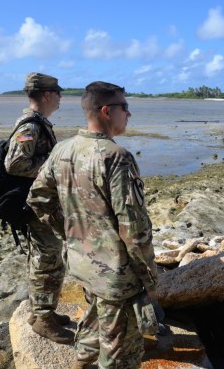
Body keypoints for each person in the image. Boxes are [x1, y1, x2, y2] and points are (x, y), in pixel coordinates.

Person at [28, 81, 160, 368]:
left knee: (95, 319)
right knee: (120, 354)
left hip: (82, 263)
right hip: (115, 274)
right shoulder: (115, 157)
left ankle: (82, 363)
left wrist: (70, 233)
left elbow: (38, 199)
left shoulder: (63, 149)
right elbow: (134, 228)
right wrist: (149, 276)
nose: (129, 114)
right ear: (106, 111)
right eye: (125, 107)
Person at [5, 72, 73, 344]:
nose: (60, 96)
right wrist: (53, 165)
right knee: (48, 262)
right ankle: (43, 318)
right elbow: (14, 164)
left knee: (47, 259)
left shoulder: (38, 123)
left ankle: (42, 312)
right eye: (57, 92)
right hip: (37, 207)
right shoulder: (30, 125)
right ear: (46, 95)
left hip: (41, 205)